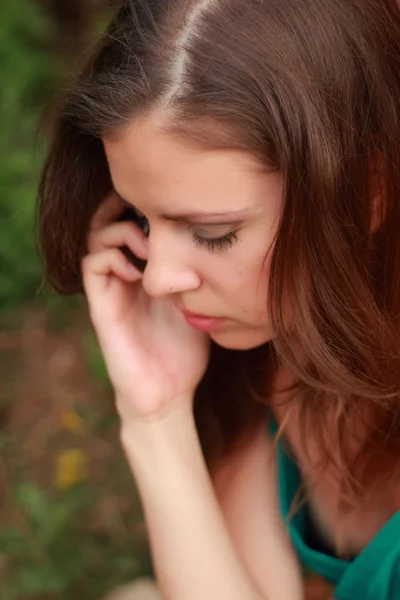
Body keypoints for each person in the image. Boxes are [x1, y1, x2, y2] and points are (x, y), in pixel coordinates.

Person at [37, 0, 400, 598]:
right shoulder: (265, 346)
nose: (157, 281)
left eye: (211, 233)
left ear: (366, 195)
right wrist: (156, 414)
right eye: (144, 221)